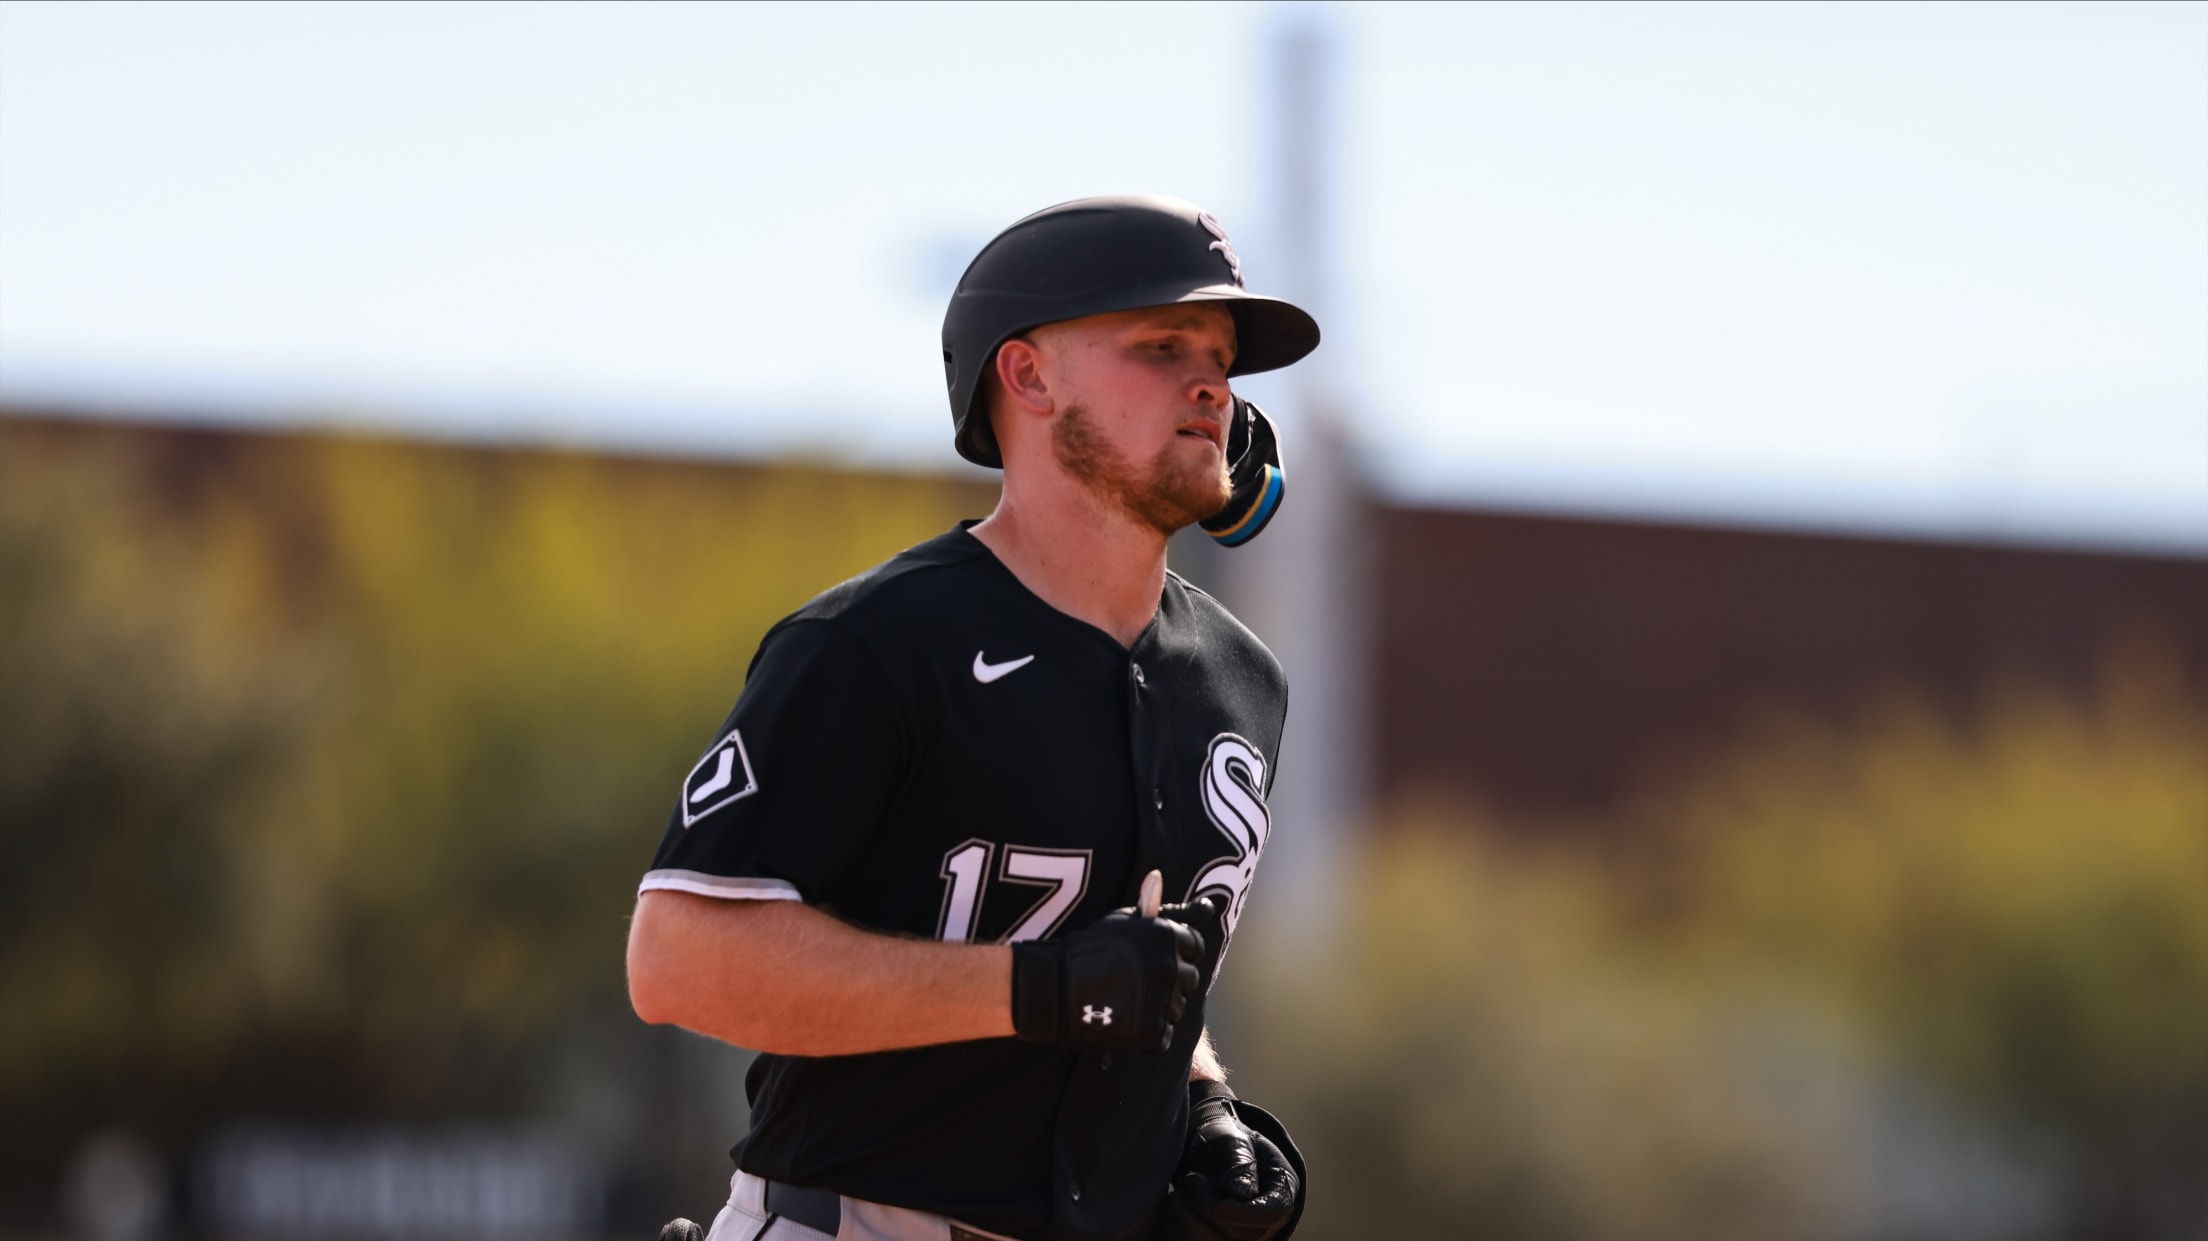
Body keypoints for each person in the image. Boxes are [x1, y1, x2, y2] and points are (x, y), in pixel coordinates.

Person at [626, 195, 1317, 1241]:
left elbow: (1137, 966)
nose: (1212, 383)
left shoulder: (1239, 682)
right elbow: (678, 956)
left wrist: (1204, 1100)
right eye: (1161, 343)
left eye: (1221, 354)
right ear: (1027, 375)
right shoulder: (880, 641)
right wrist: (1035, 987)